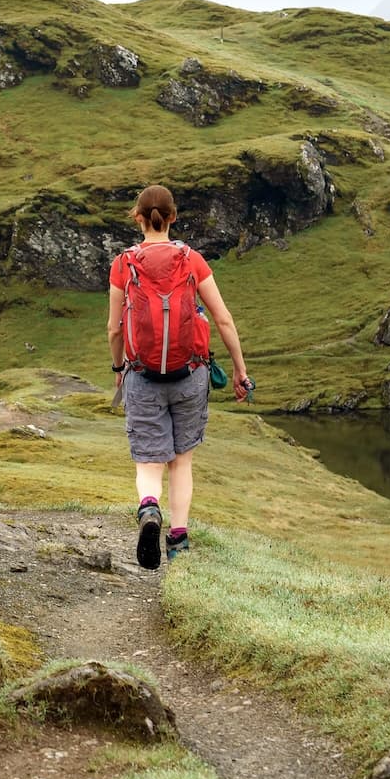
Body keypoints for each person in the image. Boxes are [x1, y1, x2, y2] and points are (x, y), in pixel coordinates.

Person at [107, 184, 252, 569]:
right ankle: (179, 541)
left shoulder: (124, 264)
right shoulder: (192, 260)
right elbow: (222, 318)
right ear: (173, 217)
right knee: (181, 461)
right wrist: (239, 370)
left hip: (142, 375)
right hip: (190, 375)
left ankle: (149, 509)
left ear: (138, 218)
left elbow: (114, 329)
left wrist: (120, 369)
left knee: (148, 463)